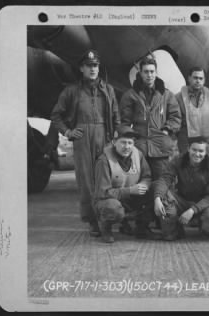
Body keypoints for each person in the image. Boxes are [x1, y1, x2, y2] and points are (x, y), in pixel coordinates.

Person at [51, 50, 120, 237]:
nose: (92, 69)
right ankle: (92, 220)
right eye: (89, 66)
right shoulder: (72, 91)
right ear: (81, 68)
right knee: (86, 181)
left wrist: (116, 135)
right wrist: (68, 131)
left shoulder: (108, 90)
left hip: (104, 136)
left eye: (95, 66)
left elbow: (116, 115)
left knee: (104, 179)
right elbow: (56, 115)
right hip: (82, 138)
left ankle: (106, 216)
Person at [93, 125, 161, 243]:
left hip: (132, 197)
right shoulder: (103, 161)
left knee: (158, 190)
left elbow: (147, 176)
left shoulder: (138, 154)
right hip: (109, 199)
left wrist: (144, 185)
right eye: (123, 142)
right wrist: (130, 190)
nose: (127, 147)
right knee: (112, 207)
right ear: (114, 142)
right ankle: (106, 228)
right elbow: (103, 193)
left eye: (130, 143)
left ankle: (142, 228)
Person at [119, 57, 181, 180]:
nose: (149, 75)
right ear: (140, 73)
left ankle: (161, 200)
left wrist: (166, 130)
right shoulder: (130, 95)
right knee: (140, 183)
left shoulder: (167, 95)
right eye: (146, 72)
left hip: (160, 147)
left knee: (162, 182)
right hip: (139, 148)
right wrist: (130, 139)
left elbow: (176, 117)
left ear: (156, 73)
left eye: (152, 71)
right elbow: (124, 122)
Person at [153, 137, 209, 241]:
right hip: (181, 200)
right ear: (188, 148)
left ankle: (204, 230)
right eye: (194, 150)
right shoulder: (178, 160)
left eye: (201, 151)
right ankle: (173, 231)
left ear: (206, 152)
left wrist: (193, 210)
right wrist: (157, 198)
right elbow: (165, 179)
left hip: (202, 203)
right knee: (165, 198)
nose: (197, 154)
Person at [175, 67, 209, 167]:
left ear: (204, 80)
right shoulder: (178, 98)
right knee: (188, 172)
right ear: (189, 78)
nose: (198, 81)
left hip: (208, 142)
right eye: (195, 78)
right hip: (186, 142)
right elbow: (175, 120)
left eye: (201, 78)